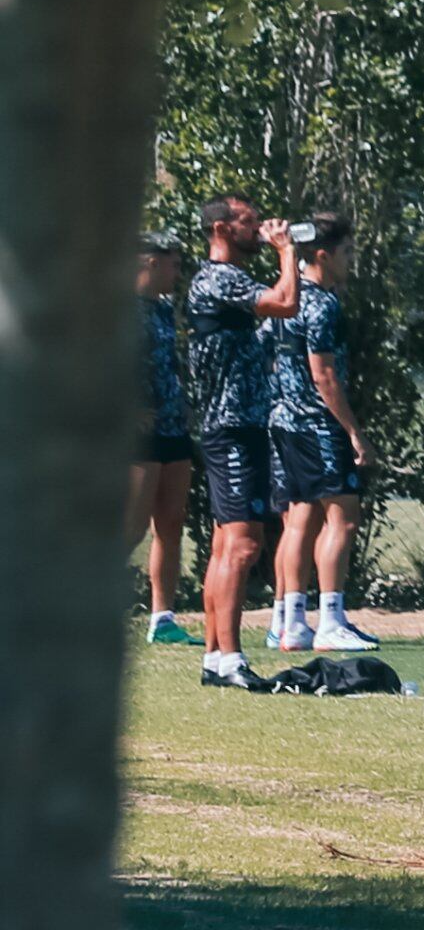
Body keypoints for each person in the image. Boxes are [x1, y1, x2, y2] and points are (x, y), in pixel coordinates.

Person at [184, 196, 304, 688]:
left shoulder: (222, 279)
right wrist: (286, 252)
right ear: (219, 227)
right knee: (243, 545)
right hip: (233, 425)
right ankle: (232, 659)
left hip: (234, 424)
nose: (257, 227)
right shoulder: (219, 276)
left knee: (223, 546)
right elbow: (286, 303)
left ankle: (216, 656)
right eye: (247, 221)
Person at [264, 213, 381, 651]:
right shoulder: (324, 304)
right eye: (347, 253)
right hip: (318, 423)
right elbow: (325, 376)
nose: (352, 261)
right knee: (343, 518)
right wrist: (354, 433)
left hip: (284, 420)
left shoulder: (283, 297)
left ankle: (291, 622)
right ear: (322, 255)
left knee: (300, 518)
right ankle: (331, 622)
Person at [132, 232, 199, 645]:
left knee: (170, 523)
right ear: (150, 262)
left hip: (173, 429)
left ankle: (164, 620)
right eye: (173, 263)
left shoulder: (161, 309)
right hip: (136, 436)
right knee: (130, 527)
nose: (178, 272)